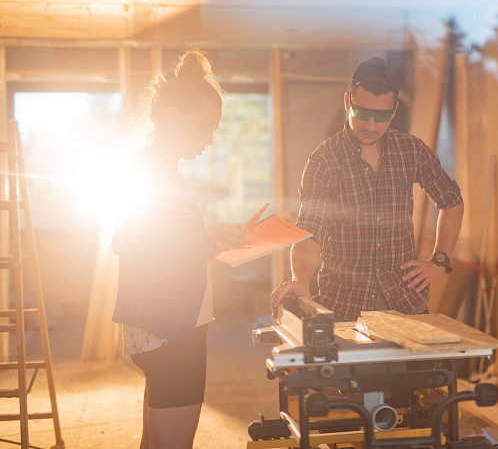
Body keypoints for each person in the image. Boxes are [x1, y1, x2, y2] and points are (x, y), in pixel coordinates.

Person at [112, 50, 250, 449]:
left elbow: (153, 237)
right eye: (203, 126)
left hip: (168, 325)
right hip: (170, 328)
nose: (209, 138)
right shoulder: (154, 169)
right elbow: (133, 241)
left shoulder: (158, 167)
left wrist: (208, 237)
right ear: (173, 115)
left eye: (214, 129)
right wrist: (208, 240)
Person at [271, 57, 464, 321]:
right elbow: (309, 233)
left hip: (406, 303)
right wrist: (300, 278)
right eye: (362, 113)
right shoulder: (324, 161)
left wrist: (440, 260)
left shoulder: (411, 151)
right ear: (348, 102)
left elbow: (451, 200)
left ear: (394, 110)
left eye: (382, 116)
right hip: (344, 306)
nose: (371, 125)